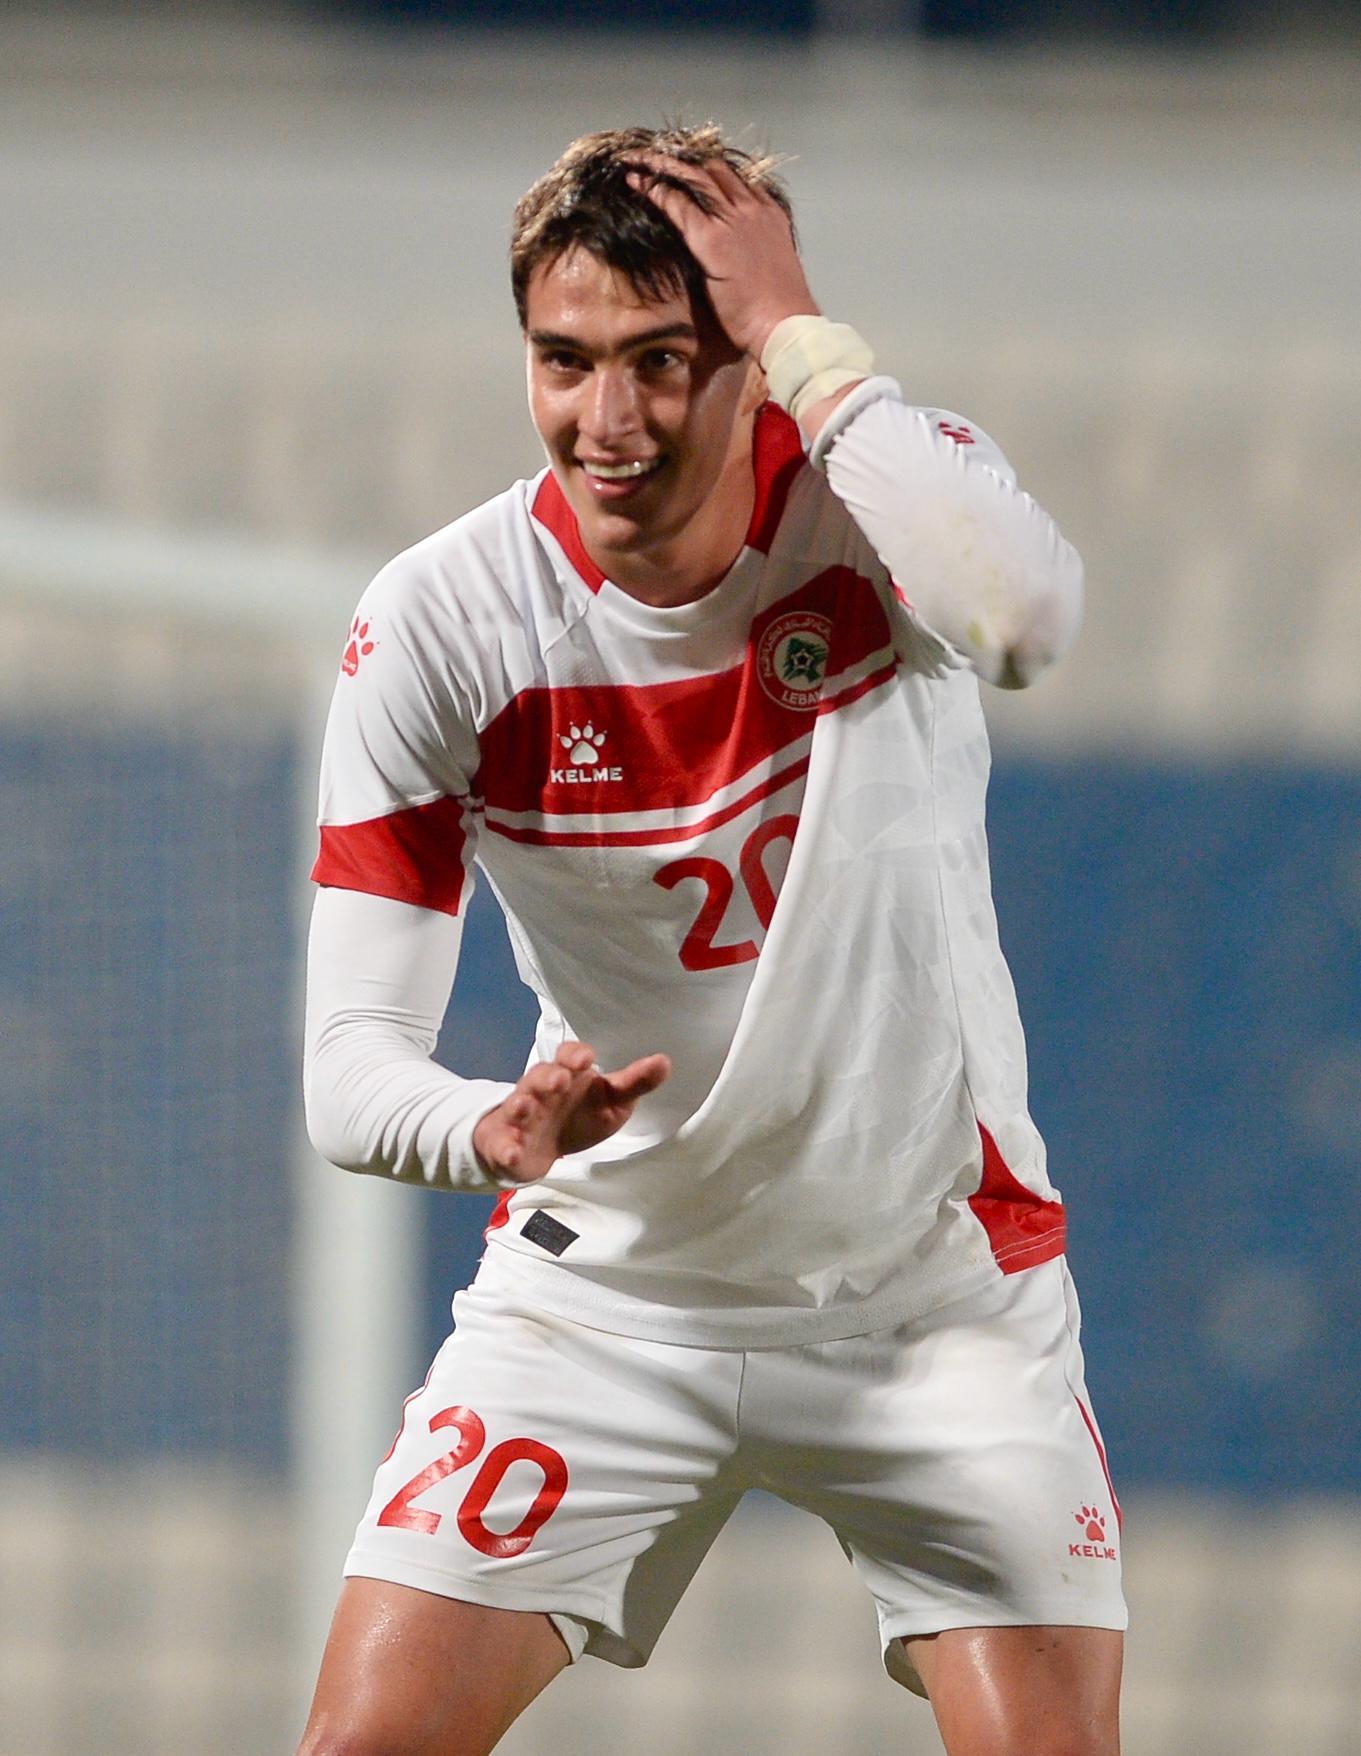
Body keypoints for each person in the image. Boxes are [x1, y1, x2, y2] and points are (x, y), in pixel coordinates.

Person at [297, 124, 1125, 1756]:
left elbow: (1024, 623)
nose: (606, 423)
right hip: (608, 1300)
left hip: (927, 1295)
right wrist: (488, 1129)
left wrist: (810, 340)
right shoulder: (447, 620)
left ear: (750, 356)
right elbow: (347, 1068)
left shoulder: (876, 511)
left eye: (662, 362)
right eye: (565, 360)